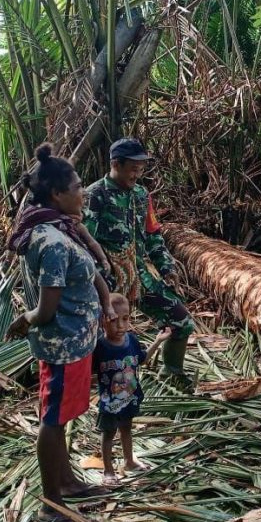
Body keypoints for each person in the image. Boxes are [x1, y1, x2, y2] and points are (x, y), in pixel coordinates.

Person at [6, 143, 113, 522]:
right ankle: (52, 503)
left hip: (76, 342)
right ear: (57, 193)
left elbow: (86, 270)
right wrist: (26, 318)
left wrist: (106, 299)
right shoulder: (49, 241)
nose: (83, 191)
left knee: (62, 418)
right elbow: (46, 308)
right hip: (62, 346)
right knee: (52, 421)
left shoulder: (60, 228)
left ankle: (66, 481)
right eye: (78, 185)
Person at [83, 137, 196, 381]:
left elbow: (153, 235)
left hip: (139, 274)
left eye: (141, 168)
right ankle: (96, 380)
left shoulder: (142, 195)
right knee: (93, 335)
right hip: (106, 281)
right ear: (116, 164)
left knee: (181, 321)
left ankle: (172, 372)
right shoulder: (95, 195)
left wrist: (166, 267)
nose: (138, 173)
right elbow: (84, 245)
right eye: (133, 167)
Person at [94, 292, 171, 486]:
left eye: (126, 319)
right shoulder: (99, 347)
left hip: (130, 397)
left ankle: (129, 461)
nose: (121, 326)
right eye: (113, 320)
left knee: (127, 428)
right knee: (109, 434)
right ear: (103, 320)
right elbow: (86, 371)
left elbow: (142, 359)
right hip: (109, 402)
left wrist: (159, 340)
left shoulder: (132, 341)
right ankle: (108, 470)